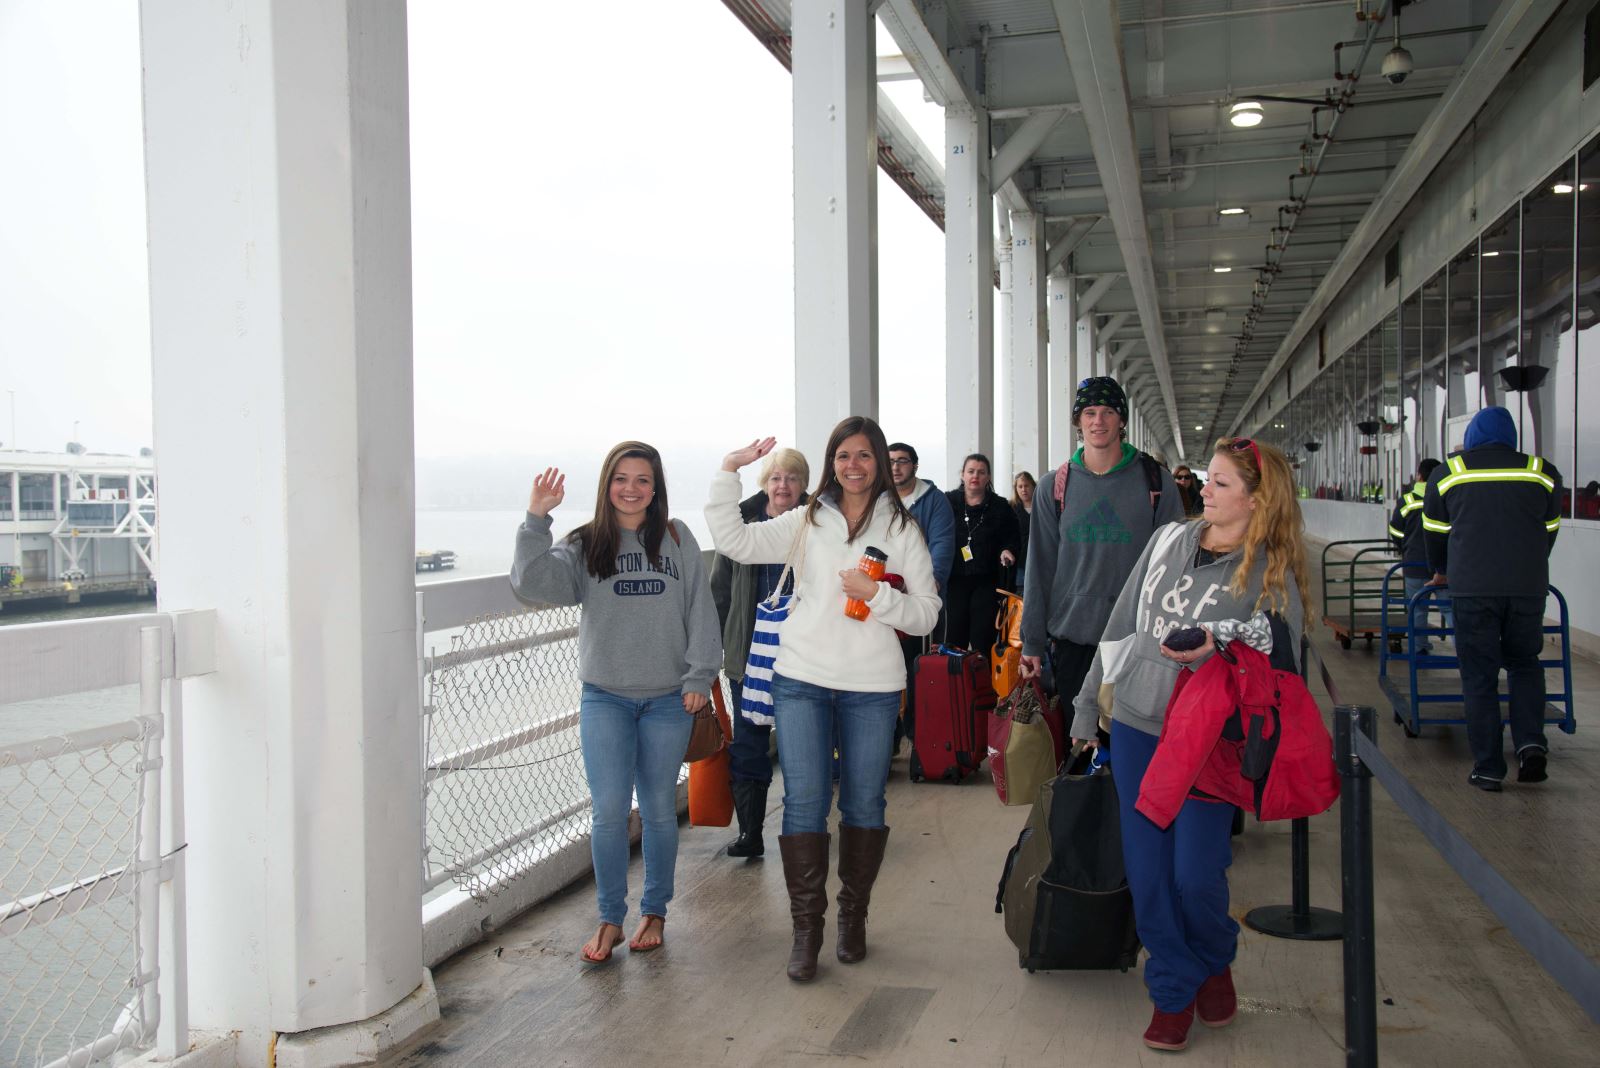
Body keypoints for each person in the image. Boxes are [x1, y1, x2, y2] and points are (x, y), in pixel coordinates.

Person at [1070, 437, 1312, 1052]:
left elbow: (1284, 658)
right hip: (1135, 725)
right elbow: (1123, 623)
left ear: (1257, 501)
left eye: (1222, 483)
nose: (1204, 488)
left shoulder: (1271, 569)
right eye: (1209, 479)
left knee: (1195, 876)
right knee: (1149, 875)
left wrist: (1220, 640)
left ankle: (1212, 954)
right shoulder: (1168, 540)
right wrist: (1084, 702)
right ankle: (1174, 988)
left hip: (1208, 740)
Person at [706, 418, 941, 982]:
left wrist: (880, 596)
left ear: (880, 463)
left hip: (873, 688)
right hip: (801, 678)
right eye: (842, 455)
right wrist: (728, 472)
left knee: (864, 807)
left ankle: (852, 918)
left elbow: (928, 612)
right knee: (805, 804)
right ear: (831, 461)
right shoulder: (806, 520)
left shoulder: (901, 527)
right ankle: (806, 930)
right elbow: (733, 541)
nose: (852, 465)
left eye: (863, 455)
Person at [510, 441, 722, 964]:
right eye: (621, 478)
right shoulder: (586, 544)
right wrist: (537, 517)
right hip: (604, 696)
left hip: (670, 699)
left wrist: (700, 675)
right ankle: (609, 918)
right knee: (607, 812)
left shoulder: (676, 537)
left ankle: (654, 911)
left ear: (656, 487)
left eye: (642, 479)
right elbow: (531, 583)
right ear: (607, 485)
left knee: (656, 811)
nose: (631, 488)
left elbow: (701, 608)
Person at [1020, 376, 1184, 720]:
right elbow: (1040, 568)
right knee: (1078, 751)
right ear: (1078, 421)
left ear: (1122, 420)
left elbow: (1176, 564)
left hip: (1138, 639)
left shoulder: (1156, 482)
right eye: (1089, 412)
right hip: (1073, 639)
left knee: (1130, 748)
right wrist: (1032, 642)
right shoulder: (1054, 487)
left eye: (1108, 412)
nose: (1098, 421)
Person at [1422, 406, 1562, 792]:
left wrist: (1442, 568)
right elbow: (1548, 530)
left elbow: (1434, 530)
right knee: (1524, 664)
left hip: (1472, 589)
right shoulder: (1541, 471)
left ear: (1472, 437)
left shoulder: (1449, 473)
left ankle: (1488, 768)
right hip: (1527, 586)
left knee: (1480, 676)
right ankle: (1531, 743)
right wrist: (1528, 565)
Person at [709, 447, 810, 859]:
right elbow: (720, 592)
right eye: (775, 478)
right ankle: (751, 832)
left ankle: (803, 828)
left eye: (791, 478)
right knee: (749, 741)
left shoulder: (815, 523)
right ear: (764, 483)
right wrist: (713, 649)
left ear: (804, 485)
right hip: (749, 653)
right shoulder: (741, 525)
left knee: (802, 742)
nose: (782, 485)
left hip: (804, 653)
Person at [889, 441, 955, 748]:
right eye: (890, 462)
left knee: (917, 668)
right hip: (882, 598)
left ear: (914, 466)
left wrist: (933, 580)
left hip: (917, 598)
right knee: (886, 668)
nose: (896, 467)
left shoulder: (933, 500)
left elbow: (942, 542)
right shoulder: (878, 499)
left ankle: (919, 735)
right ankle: (888, 740)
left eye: (902, 461)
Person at [944, 453, 1021, 656]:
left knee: (982, 638)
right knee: (954, 637)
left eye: (981, 472)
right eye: (970, 471)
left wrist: (1008, 550)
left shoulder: (1001, 506)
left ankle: (981, 685)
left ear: (988, 477)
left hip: (987, 581)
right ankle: (955, 683)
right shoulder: (947, 502)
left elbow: (1013, 537)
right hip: (955, 580)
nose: (975, 476)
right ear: (962, 475)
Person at [1387, 458, 1451, 654]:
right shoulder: (1446, 497)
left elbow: (1395, 530)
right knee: (1449, 608)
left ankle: (1419, 647)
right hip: (1443, 565)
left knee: (1417, 609)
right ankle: (1465, 650)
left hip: (1414, 564)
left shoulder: (1407, 501)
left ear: (1419, 476)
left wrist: (1404, 547)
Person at [1010, 471, 1036, 591]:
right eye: (1020, 486)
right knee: (1020, 593)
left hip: (1039, 558)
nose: (1023, 490)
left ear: (1033, 486)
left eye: (1026, 486)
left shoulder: (1041, 506)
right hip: (1020, 560)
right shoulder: (1011, 508)